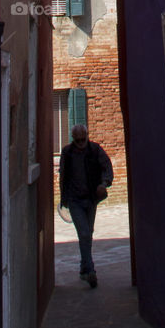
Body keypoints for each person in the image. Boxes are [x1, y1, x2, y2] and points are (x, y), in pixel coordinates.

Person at [59, 123, 113, 288]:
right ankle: (90, 271)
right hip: (74, 200)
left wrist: (103, 183)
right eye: (78, 140)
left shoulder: (95, 150)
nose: (81, 143)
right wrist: (63, 199)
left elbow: (107, 168)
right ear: (74, 139)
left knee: (87, 233)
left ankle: (84, 268)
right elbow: (63, 176)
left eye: (83, 139)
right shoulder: (67, 153)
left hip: (90, 199)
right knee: (83, 232)